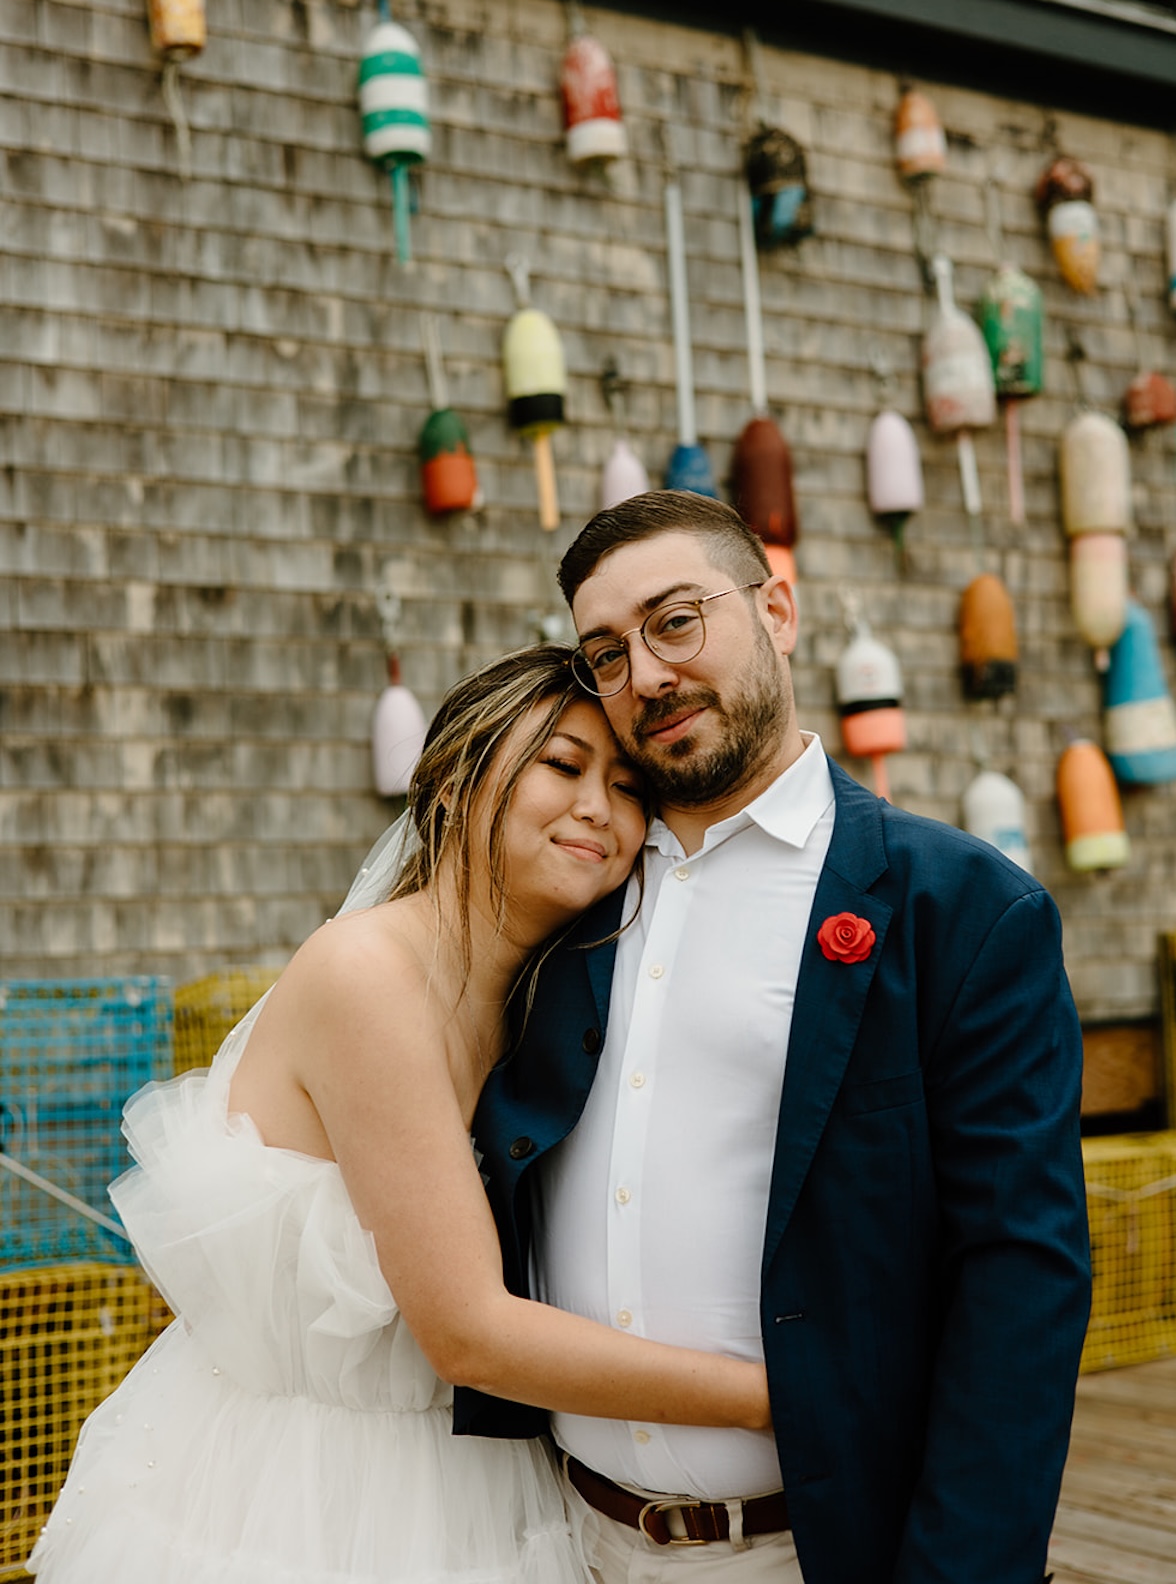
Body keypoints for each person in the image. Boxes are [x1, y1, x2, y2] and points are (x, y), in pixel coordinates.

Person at [29, 642, 772, 1584]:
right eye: (562, 765)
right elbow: (466, 1330)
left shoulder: (546, 1005)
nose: (600, 808)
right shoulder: (368, 977)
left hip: (489, 1475)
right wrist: (776, 1397)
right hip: (318, 1496)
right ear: (460, 781)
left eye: (629, 788)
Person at [456, 494, 1093, 1584]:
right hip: (558, 1538)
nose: (644, 675)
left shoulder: (961, 910)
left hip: (815, 1549)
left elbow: (1017, 1279)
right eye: (605, 654)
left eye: (674, 621)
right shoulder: (566, 900)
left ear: (777, 612)